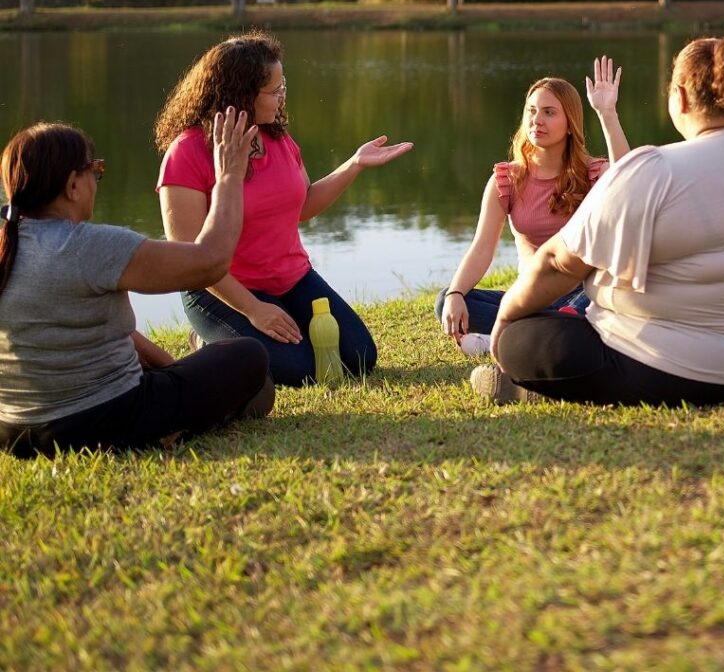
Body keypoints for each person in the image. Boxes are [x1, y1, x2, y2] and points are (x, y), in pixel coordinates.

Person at [471, 36, 724, 406]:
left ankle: (529, 387)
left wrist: (506, 319)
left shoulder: (655, 167)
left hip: (674, 372)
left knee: (521, 340)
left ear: (678, 97)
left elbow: (557, 263)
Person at [0, 112, 275, 457]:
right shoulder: (91, 245)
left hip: (14, 435)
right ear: (73, 185)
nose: (96, 182)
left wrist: (175, 371)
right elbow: (211, 261)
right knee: (248, 355)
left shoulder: (6, 248)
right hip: (98, 423)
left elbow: (113, 333)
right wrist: (229, 176)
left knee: (215, 373)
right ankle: (178, 427)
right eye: (95, 171)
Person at [155, 33, 413, 387]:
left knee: (360, 357)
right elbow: (190, 260)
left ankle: (259, 331)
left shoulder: (276, 138)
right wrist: (253, 309)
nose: (282, 96)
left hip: (290, 279)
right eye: (274, 90)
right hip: (221, 290)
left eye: (283, 85)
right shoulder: (187, 154)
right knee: (300, 370)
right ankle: (206, 341)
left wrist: (354, 164)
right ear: (241, 94)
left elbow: (303, 206)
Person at [436, 56, 630, 356]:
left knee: (605, 297)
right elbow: (482, 248)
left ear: (569, 125)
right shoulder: (506, 179)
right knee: (447, 301)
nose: (537, 120)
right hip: (530, 297)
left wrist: (607, 114)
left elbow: (628, 181)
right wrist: (456, 293)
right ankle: (540, 332)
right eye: (531, 111)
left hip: (584, 295)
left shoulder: (594, 174)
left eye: (549, 113)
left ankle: (512, 336)